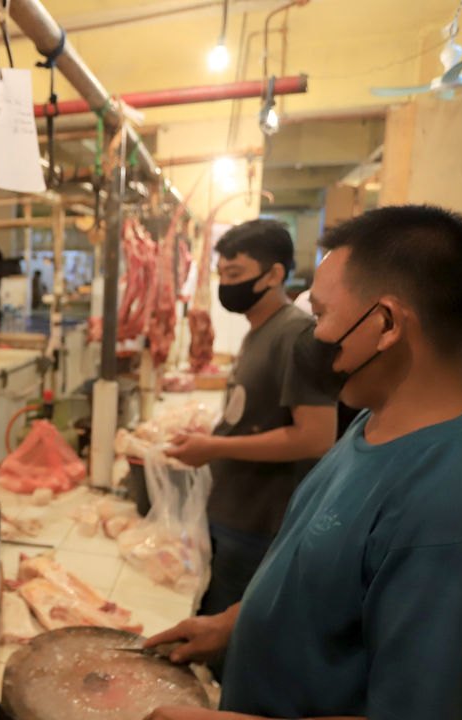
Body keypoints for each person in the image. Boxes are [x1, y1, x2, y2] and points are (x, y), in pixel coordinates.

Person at [145, 205, 462, 720]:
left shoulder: (450, 506)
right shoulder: (374, 419)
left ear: (387, 323)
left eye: (323, 315)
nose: (314, 335)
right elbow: (323, 583)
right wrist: (233, 623)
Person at [166, 219, 337, 622]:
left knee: (230, 637)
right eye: (222, 274)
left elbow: (315, 437)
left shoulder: (296, 336)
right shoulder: (258, 332)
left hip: (260, 523)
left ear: (274, 274)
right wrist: (212, 436)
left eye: (236, 274)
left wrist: (214, 447)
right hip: (231, 510)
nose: (226, 285)